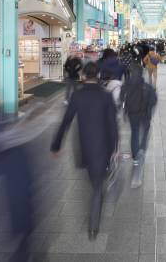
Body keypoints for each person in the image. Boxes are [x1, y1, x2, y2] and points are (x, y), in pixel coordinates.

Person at [51, 62, 118, 240]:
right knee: (97, 187)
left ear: (83, 76)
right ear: (98, 76)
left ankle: (93, 222)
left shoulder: (77, 96)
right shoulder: (106, 96)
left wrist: (56, 145)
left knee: (93, 181)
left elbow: (65, 121)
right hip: (102, 147)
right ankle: (93, 226)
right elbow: (113, 125)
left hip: (84, 147)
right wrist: (114, 148)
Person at [121, 65, 157, 187]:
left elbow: (121, 98)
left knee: (134, 133)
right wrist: (149, 109)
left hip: (132, 114)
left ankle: (136, 157)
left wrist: (125, 111)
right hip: (145, 114)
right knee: (145, 131)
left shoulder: (127, 85)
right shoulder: (147, 86)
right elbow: (154, 99)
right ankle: (142, 148)